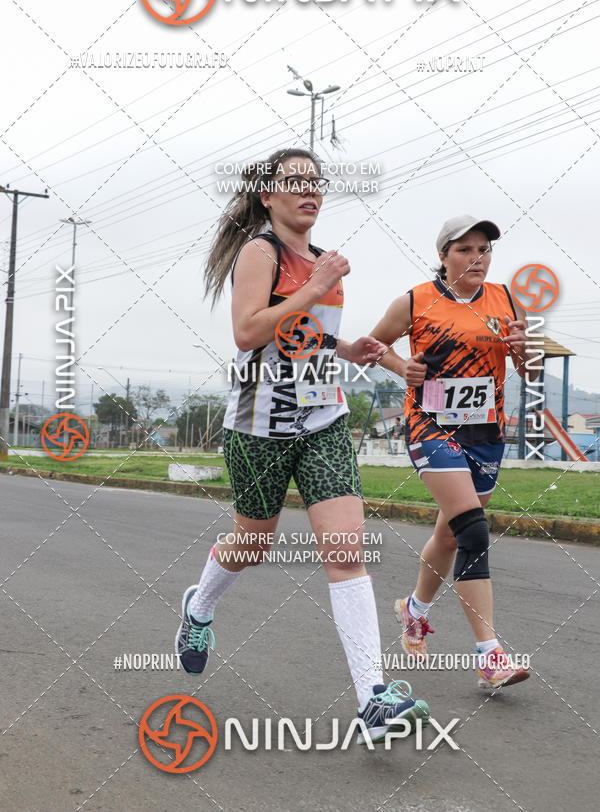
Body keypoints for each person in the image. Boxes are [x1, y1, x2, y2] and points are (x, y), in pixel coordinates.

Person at [175, 147, 430, 743]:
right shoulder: (259, 253)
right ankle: (199, 609)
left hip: (322, 424)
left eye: (316, 182)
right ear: (268, 196)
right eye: (294, 182)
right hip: (259, 430)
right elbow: (248, 332)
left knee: (345, 551)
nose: (309, 191)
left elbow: (299, 334)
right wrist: (316, 286)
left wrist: (347, 349)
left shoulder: (320, 261)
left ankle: (372, 697)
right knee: (253, 543)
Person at [369, 215, 532, 689]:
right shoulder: (415, 300)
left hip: (485, 435)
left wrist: (525, 351)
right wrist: (403, 367)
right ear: (443, 255)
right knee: (474, 532)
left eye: (484, 250)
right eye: (466, 250)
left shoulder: (505, 298)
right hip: (431, 428)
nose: (477, 258)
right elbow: (375, 344)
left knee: (449, 536)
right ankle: (491, 654)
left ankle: (413, 611)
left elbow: (531, 371)